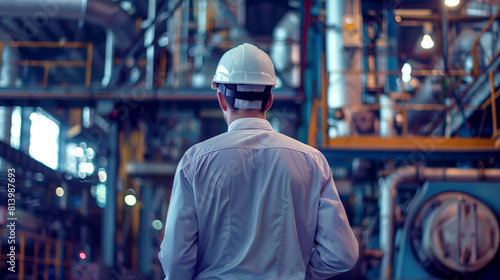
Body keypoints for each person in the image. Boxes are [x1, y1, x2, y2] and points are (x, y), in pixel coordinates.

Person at [158, 43, 358, 279]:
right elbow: (342, 254)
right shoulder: (312, 162)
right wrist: (300, 274)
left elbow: (175, 260)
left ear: (222, 100)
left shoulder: (195, 162)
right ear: (270, 100)